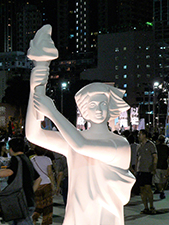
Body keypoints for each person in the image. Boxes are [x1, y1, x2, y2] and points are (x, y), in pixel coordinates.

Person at [26, 24, 135, 225]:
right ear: (84, 110)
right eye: (93, 104)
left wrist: (52, 112)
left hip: (105, 219)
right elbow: (34, 135)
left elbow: (81, 146)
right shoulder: (74, 139)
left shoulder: (119, 145)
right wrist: (36, 83)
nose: (99, 108)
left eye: (103, 103)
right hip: (77, 217)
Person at [0, 137, 41, 225]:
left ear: (11, 148)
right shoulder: (26, 159)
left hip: (20, 202)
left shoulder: (16, 159)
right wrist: (31, 191)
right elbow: (38, 178)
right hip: (29, 200)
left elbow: (8, 172)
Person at [31, 145, 55, 225]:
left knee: (37, 205)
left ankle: (34, 220)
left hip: (36, 185)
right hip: (46, 184)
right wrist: (53, 184)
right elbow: (50, 173)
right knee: (47, 206)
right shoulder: (47, 159)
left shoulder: (32, 160)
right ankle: (46, 222)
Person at [135, 129, 158, 214]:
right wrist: (136, 169)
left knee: (148, 188)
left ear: (144, 135)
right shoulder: (139, 146)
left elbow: (155, 156)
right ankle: (146, 207)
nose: (138, 136)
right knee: (142, 189)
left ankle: (151, 206)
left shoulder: (151, 145)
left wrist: (154, 167)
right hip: (140, 170)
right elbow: (137, 157)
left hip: (148, 170)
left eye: (140, 134)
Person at [153, 135, 169, 199]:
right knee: (164, 180)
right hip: (164, 165)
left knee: (157, 180)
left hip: (157, 165)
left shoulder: (155, 147)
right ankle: (162, 190)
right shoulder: (166, 147)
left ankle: (160, 190)